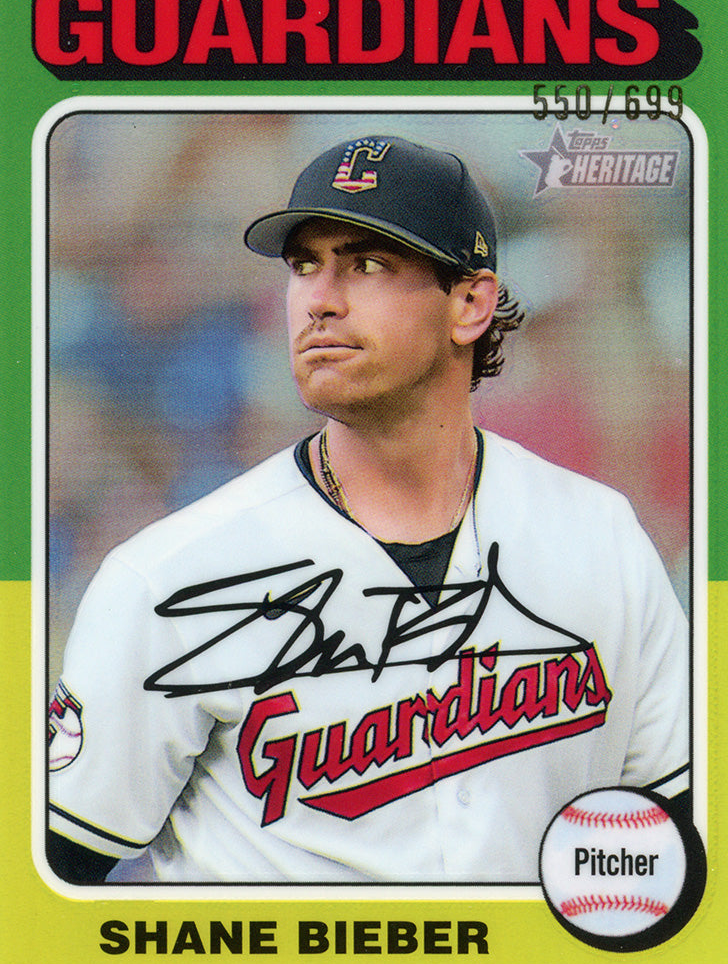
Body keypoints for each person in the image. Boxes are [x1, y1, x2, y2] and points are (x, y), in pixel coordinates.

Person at [48, 134, 689, 884]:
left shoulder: (600, 535)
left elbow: (681, 838)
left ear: (470, 304)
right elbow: (48, 887)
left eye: (368, 265)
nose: (319, 299)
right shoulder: (166, 577)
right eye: (304, 266)